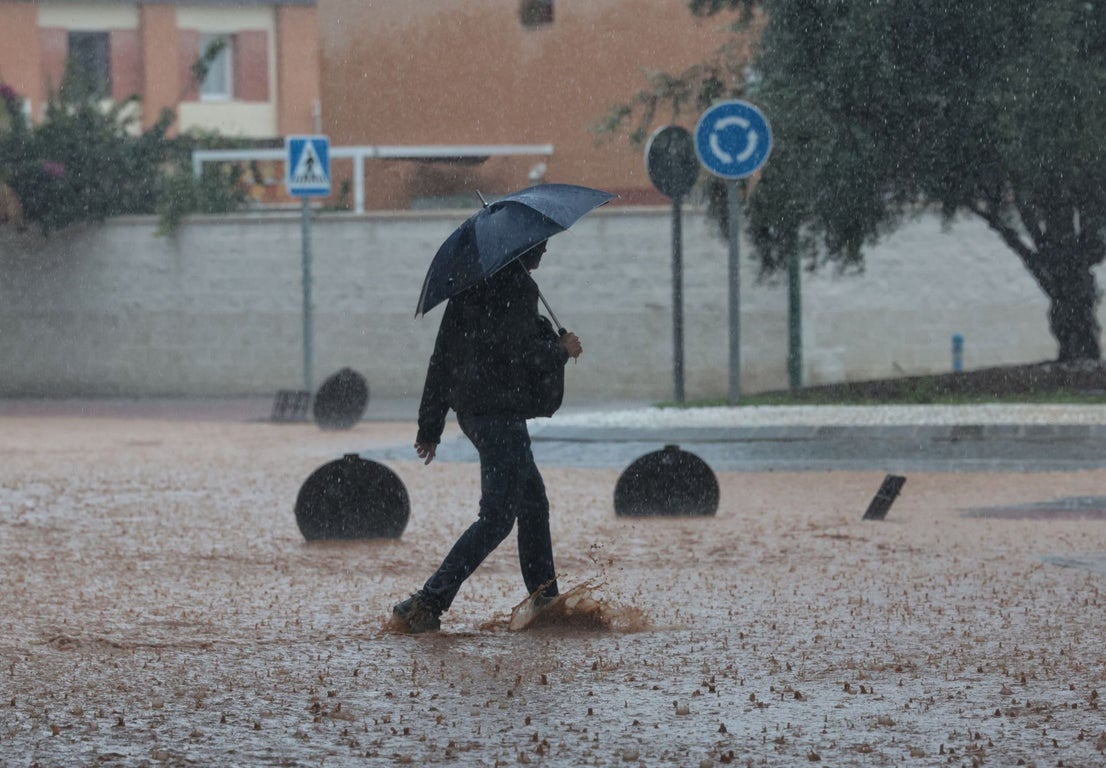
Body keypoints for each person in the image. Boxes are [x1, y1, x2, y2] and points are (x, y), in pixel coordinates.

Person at [392, 240, 582, 633]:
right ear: (522, 246)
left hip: (473, 412)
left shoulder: (467, 290)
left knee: (532, 504)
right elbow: (522, 354)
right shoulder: (517, 288)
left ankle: (545, 599)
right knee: (497, 517)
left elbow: (441, 357)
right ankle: (427, 602)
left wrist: (430, 426)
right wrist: (561, 349)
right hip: (500, 414)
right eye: (540, 246)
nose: (543, 253)